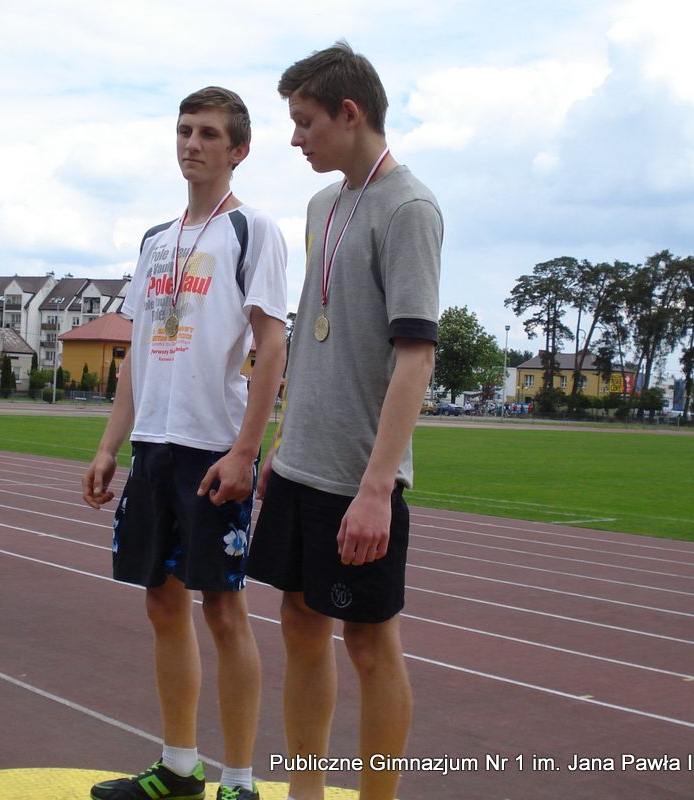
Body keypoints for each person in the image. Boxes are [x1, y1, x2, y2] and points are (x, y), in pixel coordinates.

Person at [246, 42, 442, 800]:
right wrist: (283, 439)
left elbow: (415, 359)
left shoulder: (410, 209)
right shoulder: (322, 205)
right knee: (299, 626)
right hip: (302, 461)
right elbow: (314, 329)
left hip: (358, 475)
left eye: (306, 122)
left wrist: (376, 487)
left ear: (349, 113)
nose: (295, 138)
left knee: (368, 643)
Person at [82, 86, 288, 800]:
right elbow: (137, 353)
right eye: (184, 131)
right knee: (161, 603)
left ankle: (240, 781)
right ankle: (178, 767)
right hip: (154, 446)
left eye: (208, 134)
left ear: (239, 150)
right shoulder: (154, 241)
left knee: (223, 609)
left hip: (212, 448)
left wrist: (245, 451)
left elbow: (271, 345)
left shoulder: (251, 230)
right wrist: (109, 446)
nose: (192, 144)